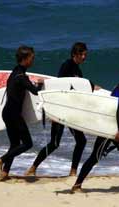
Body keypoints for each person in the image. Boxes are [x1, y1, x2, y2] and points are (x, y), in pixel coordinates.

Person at [26, 42, 101, 177]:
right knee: (54, 143)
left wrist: (92, 86)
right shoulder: (67, 66)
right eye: (82, 54)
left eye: (85, 54)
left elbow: (78, 87)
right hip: (61, 110)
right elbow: (59, 87)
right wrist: (54, 113)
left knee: (81, 141)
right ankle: (33, 167)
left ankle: (73, 172)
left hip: (71, 111)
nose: (84, 57)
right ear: (75, 54)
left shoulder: (78, 70)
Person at [0, 45, 43, 180]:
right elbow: (35, 92)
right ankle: (1, 160)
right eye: (32, 58)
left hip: (7, 112)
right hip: (14, 114)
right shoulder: (21, 76)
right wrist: (40, 83)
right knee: (28, 144)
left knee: (15, 145)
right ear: (25, 59)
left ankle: (5, 173)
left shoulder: (15, 72)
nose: (33, 60)